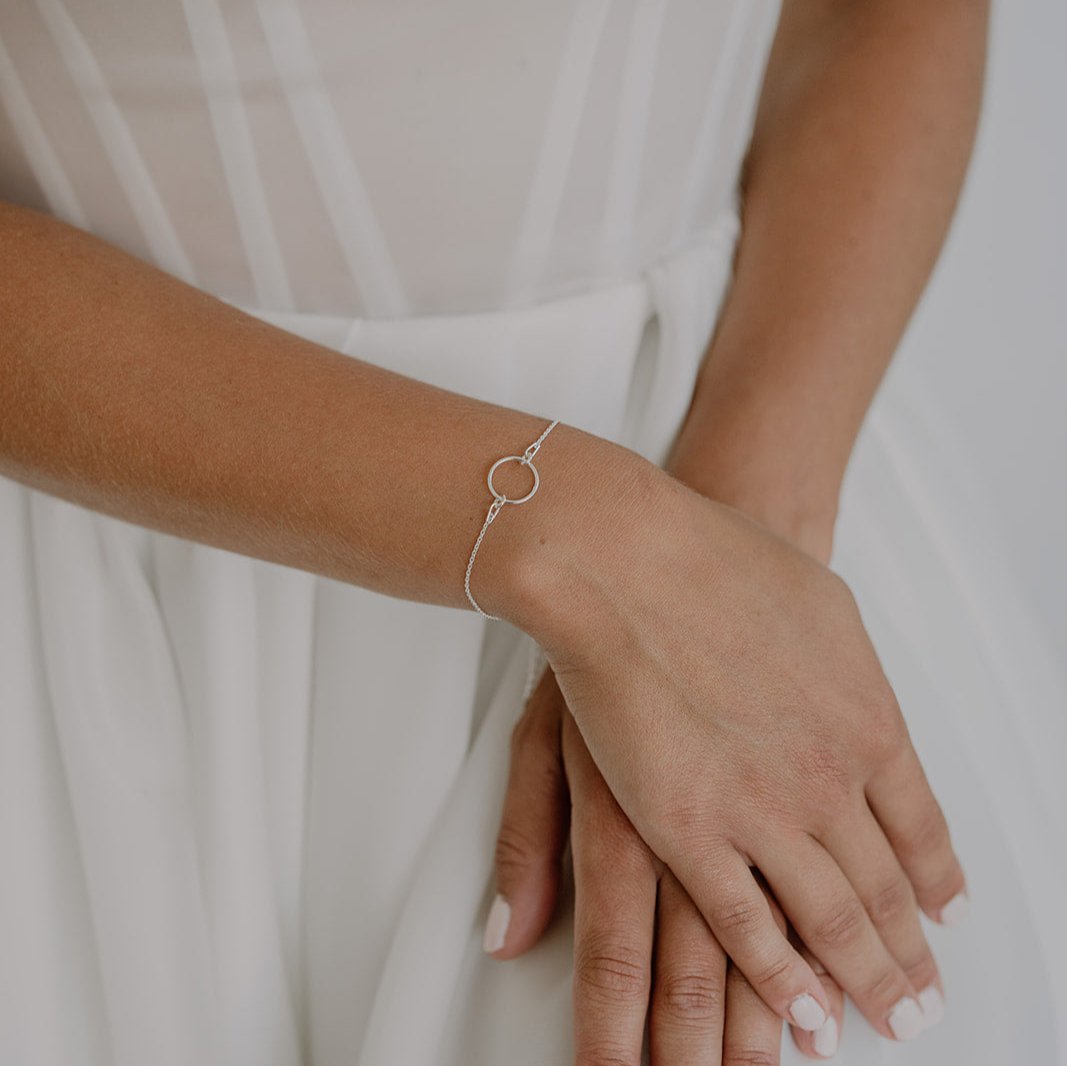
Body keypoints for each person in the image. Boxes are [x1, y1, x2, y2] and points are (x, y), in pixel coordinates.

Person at [0, 1, 1063, 1065]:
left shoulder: (744, 549)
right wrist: (599, 551)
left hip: (758, 438)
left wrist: (737, 559)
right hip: (126, 572)